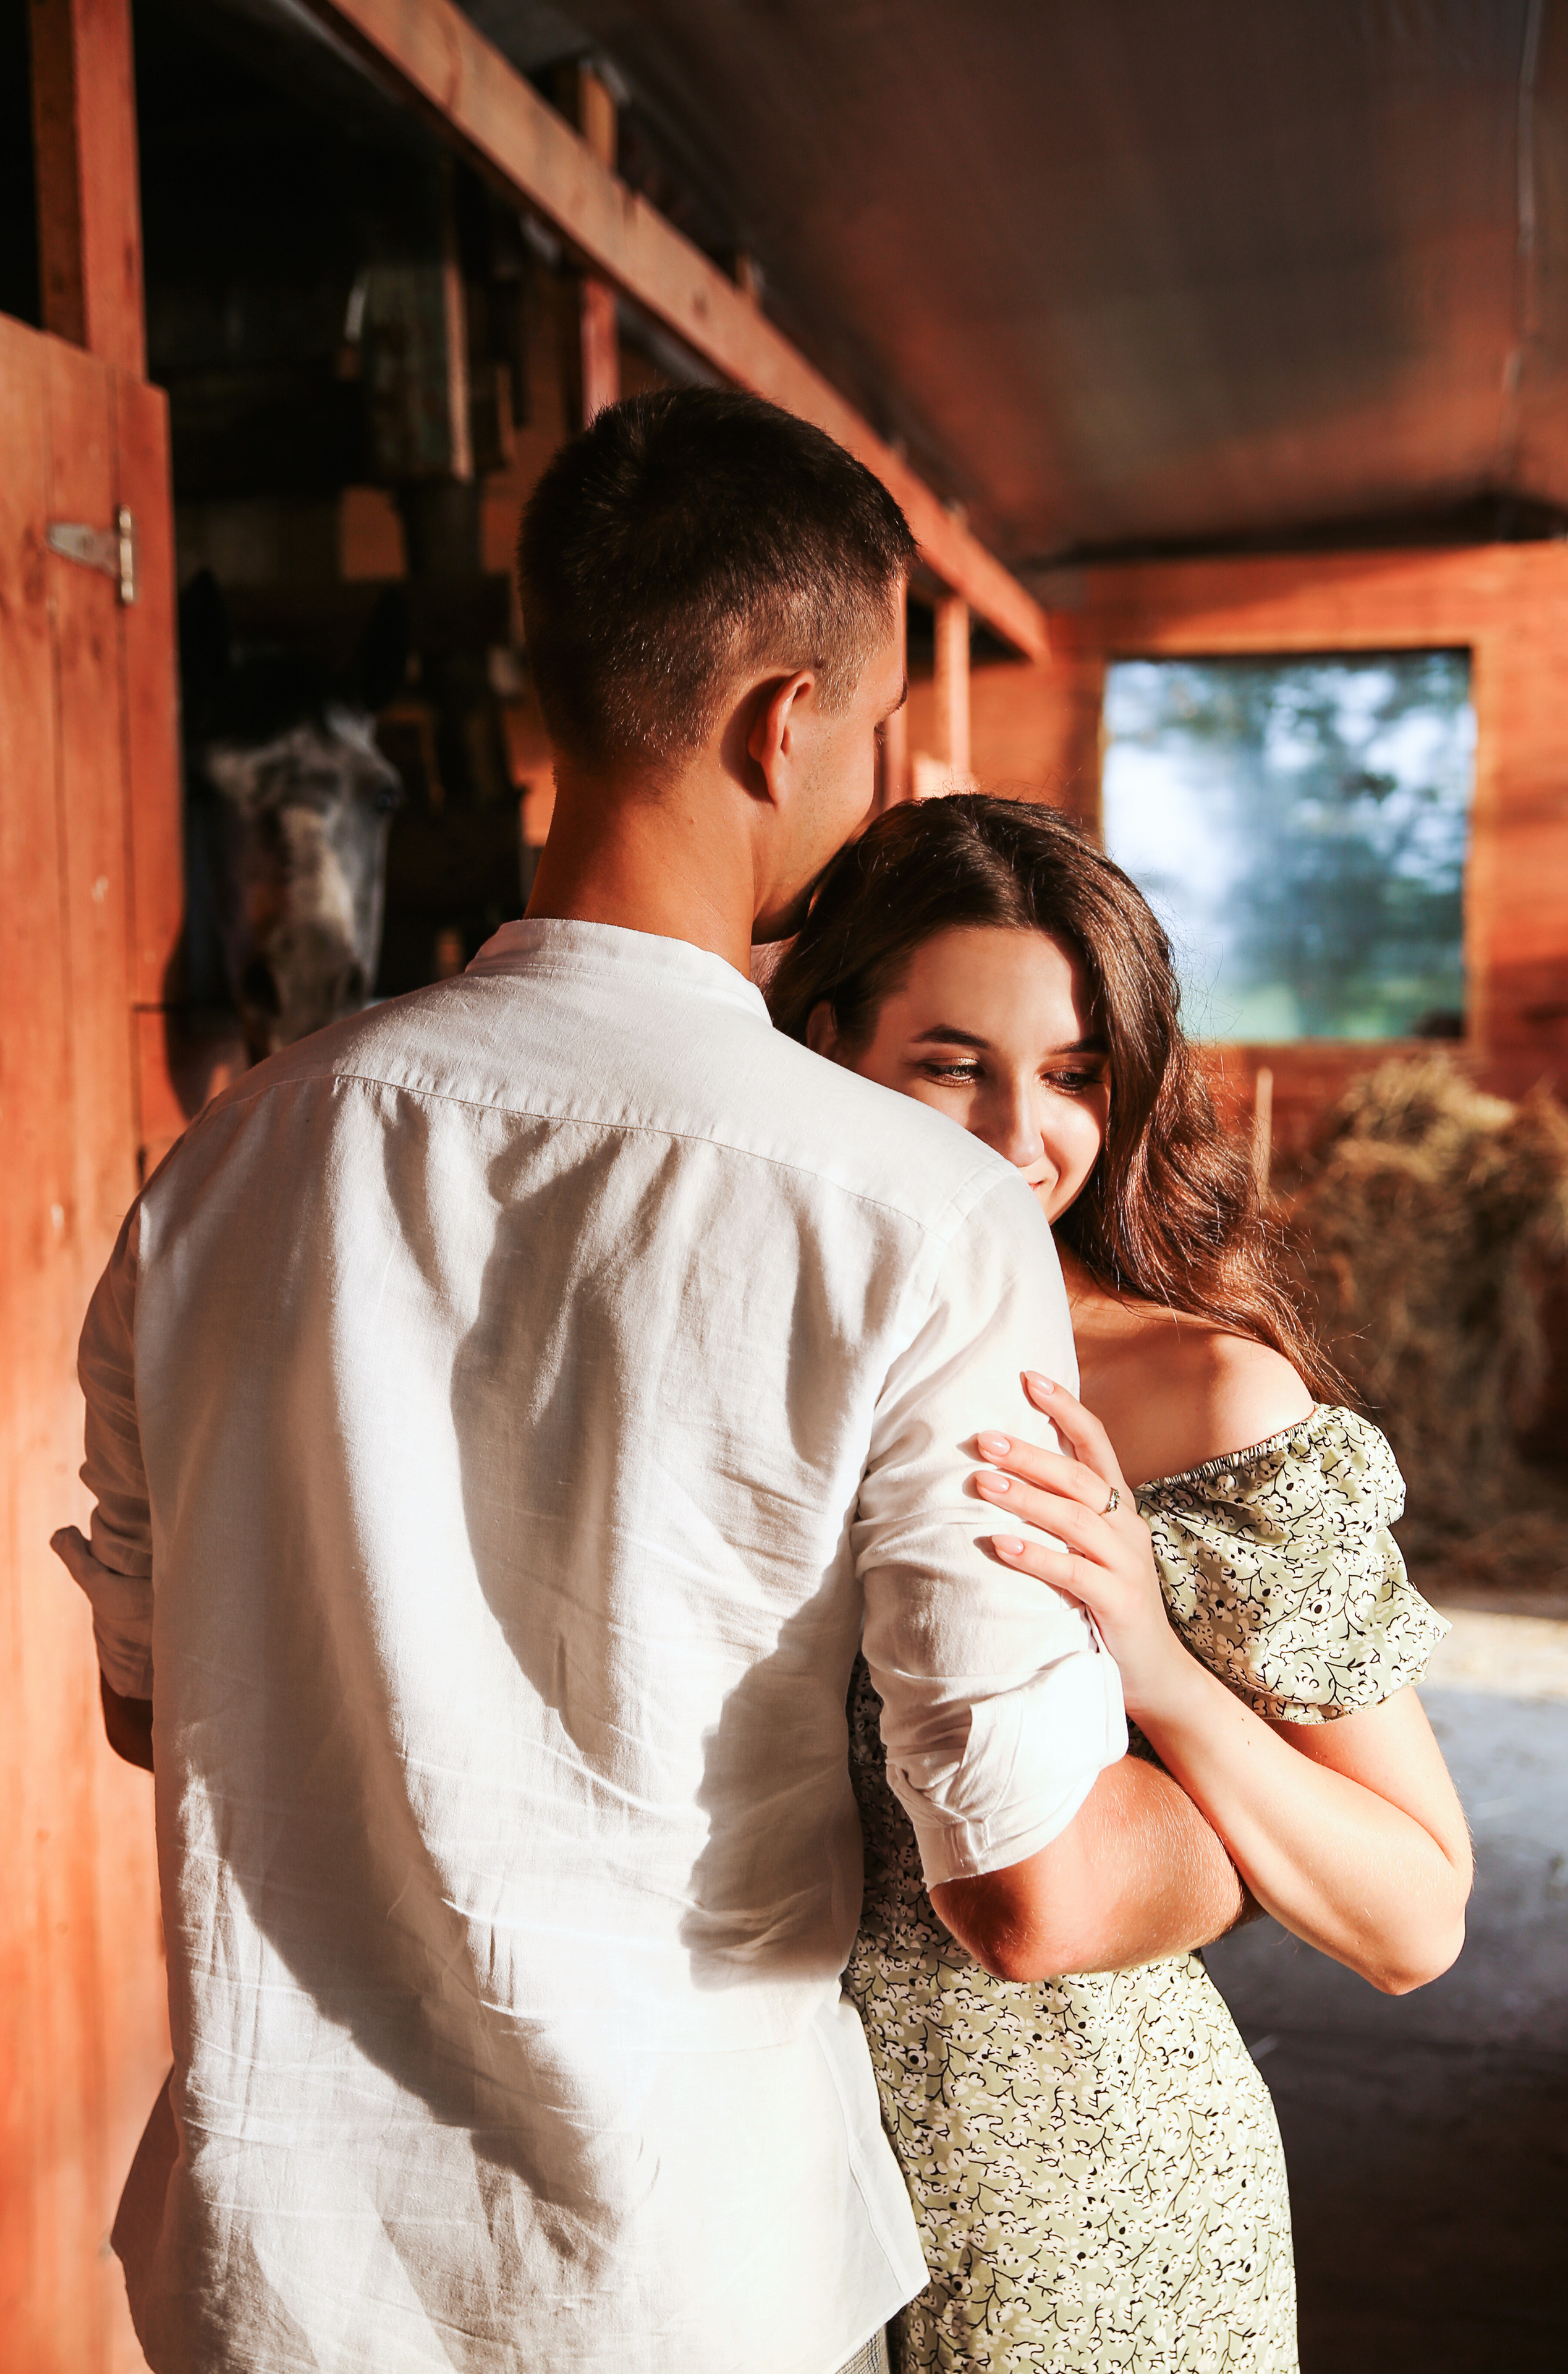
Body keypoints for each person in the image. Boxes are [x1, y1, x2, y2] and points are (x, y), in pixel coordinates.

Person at [49, 396, 1252, 2374]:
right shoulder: (910, 1215)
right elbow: (1030, 1892)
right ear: (785, 723)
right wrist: (1267, 1809)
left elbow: (147, 1703)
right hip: (677, 2287)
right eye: (867, 739)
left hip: (274, 2272)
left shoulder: (228, 1166)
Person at [769, 794, 1473, 2374]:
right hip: (760, 2196)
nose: (1021, 1138)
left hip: (1085, 2213)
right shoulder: (740, 1327)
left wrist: (1157, 1660)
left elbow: (1412, 1912)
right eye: (952, 1064)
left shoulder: (1202, 1399)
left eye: (1074, 1076)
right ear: (826, 1047)